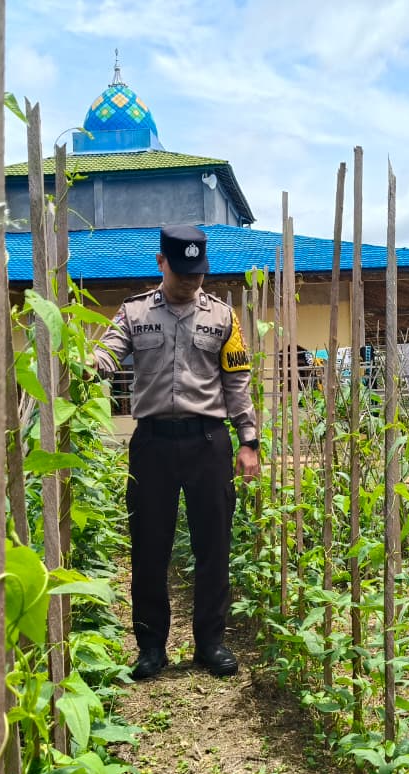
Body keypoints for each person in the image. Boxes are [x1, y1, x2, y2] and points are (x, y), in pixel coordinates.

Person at [92, 225, 261, 680]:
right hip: (152, 445)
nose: (191, 281)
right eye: (182, 272)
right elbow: (107, 354)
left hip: (208, 441)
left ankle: (211, 644)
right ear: (161, 263)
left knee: (214, 546)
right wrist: (88, 365)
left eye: (198, 273)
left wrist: (248, 441)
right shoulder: (133, 313)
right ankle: (150, 648)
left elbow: (236, 382)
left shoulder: (224, 318)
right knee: (149, 549)